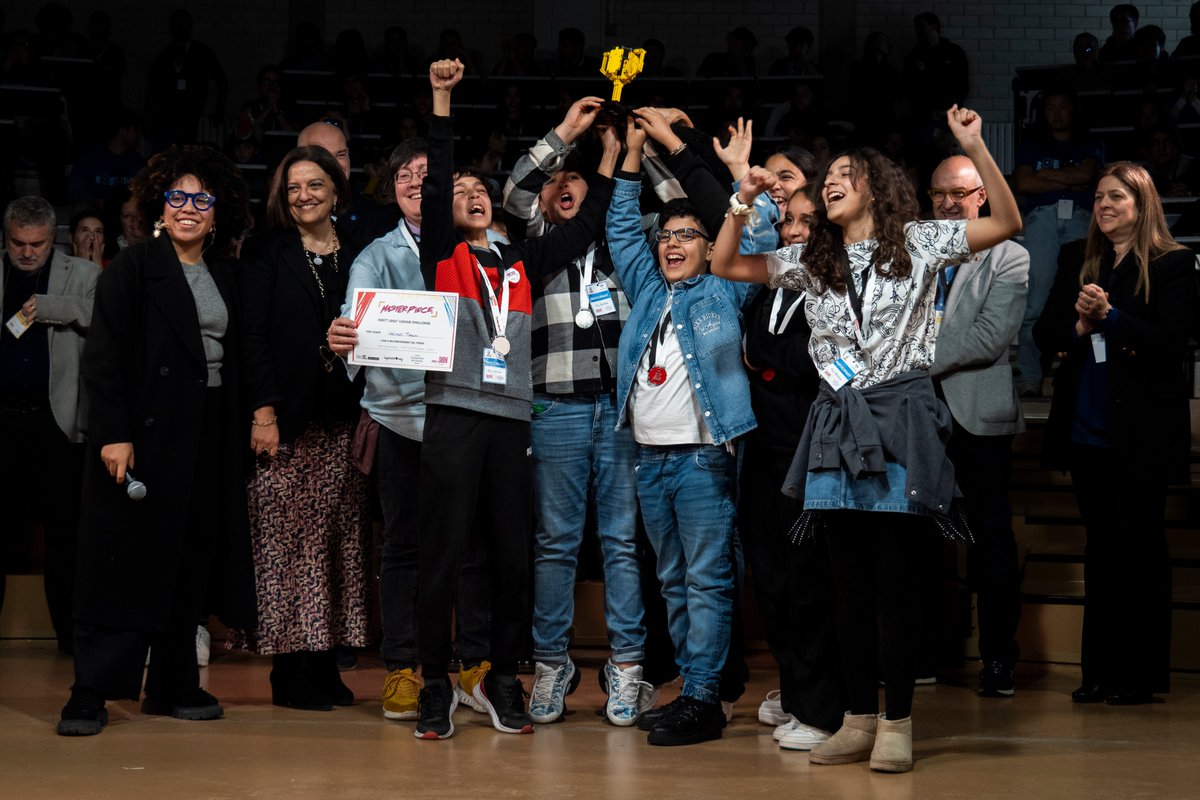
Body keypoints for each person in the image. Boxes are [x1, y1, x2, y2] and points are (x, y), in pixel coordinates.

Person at [710, 106, 1021, 773]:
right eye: (828, 178)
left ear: (877, 187)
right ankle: (855, 718)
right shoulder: (811, 259)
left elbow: (1007, 223)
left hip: (900, 415)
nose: (830, 183)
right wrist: (741, 194)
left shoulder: (921, 241)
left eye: (846, 175)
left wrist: (974, 146)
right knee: (845, 584)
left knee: (895, 584)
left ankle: (898, 721)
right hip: (836, 421)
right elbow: (725, 264)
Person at [413, 58, 614, 740]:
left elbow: (587, 230)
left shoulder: (524, 257)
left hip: (510, 421)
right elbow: (440, 172)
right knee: (440, 555)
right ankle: (434, 682)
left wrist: (609, 161)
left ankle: (503, 680)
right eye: (460, 189)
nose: (469, 193)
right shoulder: (441, 252)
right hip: (453, 415)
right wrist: (442, 100)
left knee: (511, 557)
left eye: (478, 188)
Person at [58, 145, 255, 736]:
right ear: (159, 207)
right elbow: (104, 358)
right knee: (120, 562)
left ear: (217, 212)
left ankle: (172, 684)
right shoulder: (134, 267)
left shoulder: (227, 273)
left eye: (202, 199)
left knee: (188, 560)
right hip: (143, 433)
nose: (189, 207)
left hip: (207, 430)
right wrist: (113, 434)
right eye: (178, 197)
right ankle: (90, 692)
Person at [325, 138, 497, 723]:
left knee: (474, 547)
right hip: (400, 419)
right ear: (392, 187)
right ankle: (402, 669)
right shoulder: (375, 255)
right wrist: (345, 337)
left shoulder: (489, 251)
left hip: (469, 420)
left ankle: (476, 664)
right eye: (404, 174)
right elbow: (354, 323)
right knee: (403, 547)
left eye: (427, 173)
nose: (414, 181)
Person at [606, 109, 758, 747]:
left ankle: (703, 698)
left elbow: (749, 229)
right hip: (649, 460)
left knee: (707, 578)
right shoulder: (646, 285)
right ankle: (698, 686)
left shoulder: (727, 285)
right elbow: (620, 230)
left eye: (689, 234)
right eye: (666, 234)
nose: (672, 243)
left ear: (710, 243)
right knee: (672, 581)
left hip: (702, 460)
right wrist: (631, 158)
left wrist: (684, 147)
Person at [502, 98, 650, 726]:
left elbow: (656, 201)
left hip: (618, 409)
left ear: (598, 191)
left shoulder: (625, 242)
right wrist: (564, 132)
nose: (561, 186)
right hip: (555, 407)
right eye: (554, 181)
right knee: (556, 543)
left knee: (619, 542)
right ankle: (552, 663)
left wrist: (624, 152)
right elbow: (514, 189)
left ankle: (626, 666)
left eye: (574, 177)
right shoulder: (534, 242)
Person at [1034, 162, 1198, 706]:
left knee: (1142, 550)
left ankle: (1140, 675)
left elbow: (1173, 342)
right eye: (1099, 197)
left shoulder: (1173, 264)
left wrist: (1111, 318)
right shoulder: (1077, 260)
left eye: (1116, 197)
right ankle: (1099, 672)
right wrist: (1080, 326)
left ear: (1142, 203)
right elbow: (1044, 331)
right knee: (1101, 551)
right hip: (1087, 430)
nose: (1104, 205)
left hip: (1142, 431)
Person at [228, 145, 367, 711]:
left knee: (337, 544)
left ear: (336, 190)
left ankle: (324, 661)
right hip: (285, 422)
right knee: (287, 548)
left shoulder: (358, 253)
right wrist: (263, 413)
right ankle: (289, 671)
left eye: (315, 185)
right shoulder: (266, 250)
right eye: (293, 188)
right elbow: (251, 338)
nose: (304, 196)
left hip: (344, 419)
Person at [927, 156, 1030, 697]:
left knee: (991, 541)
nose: (948, 203)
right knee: (920, 539)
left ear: (982, 197)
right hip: (919, 415)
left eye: (959, 194)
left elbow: (989, 339)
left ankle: (998, 658)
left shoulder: (1010, 255)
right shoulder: (915, 254)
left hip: (978, 420)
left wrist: (912, 356)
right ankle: (924, 652)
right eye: (939, 193)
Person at [0, 196, 99, 656]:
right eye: (17, 243)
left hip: (57, 424)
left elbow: (106, 320)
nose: (26, 252)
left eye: (36, 244)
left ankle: (70, 639)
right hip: (2, 422)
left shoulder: (83, 275)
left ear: (53, 238)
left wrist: (50, 306)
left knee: (65, 539)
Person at [1013, 90, 1103, 396]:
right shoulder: (1032, 144)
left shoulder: (1089, 142)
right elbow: (1024, 183)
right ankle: (1029, 376)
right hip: (1042, 220)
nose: (1056, 112)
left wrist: (1048, 176)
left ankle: (1080, 372)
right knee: (1035, 297)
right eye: (1050, 107)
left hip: (1080, 219)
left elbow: (1089, 175)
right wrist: (1071, 178)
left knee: (1081, 295)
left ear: (1072, 109)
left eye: (1062, 105)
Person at [298, 120, 397, 246]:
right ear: (297, 161)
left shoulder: (379, 220)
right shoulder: (277, 218)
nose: (334, 164)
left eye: (341, 155)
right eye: (323, 155)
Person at [144, 10, 227, 149]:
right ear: (171, 28)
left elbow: (222, 81)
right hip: (166, 119)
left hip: (191, 118)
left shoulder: (201, 52)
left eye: (184, 24)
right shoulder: (164, 57)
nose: (180, 28)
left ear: (190, 27)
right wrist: (148, 120)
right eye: (177, 24)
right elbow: (152, 91)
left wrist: (220, 111)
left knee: (187, 155)